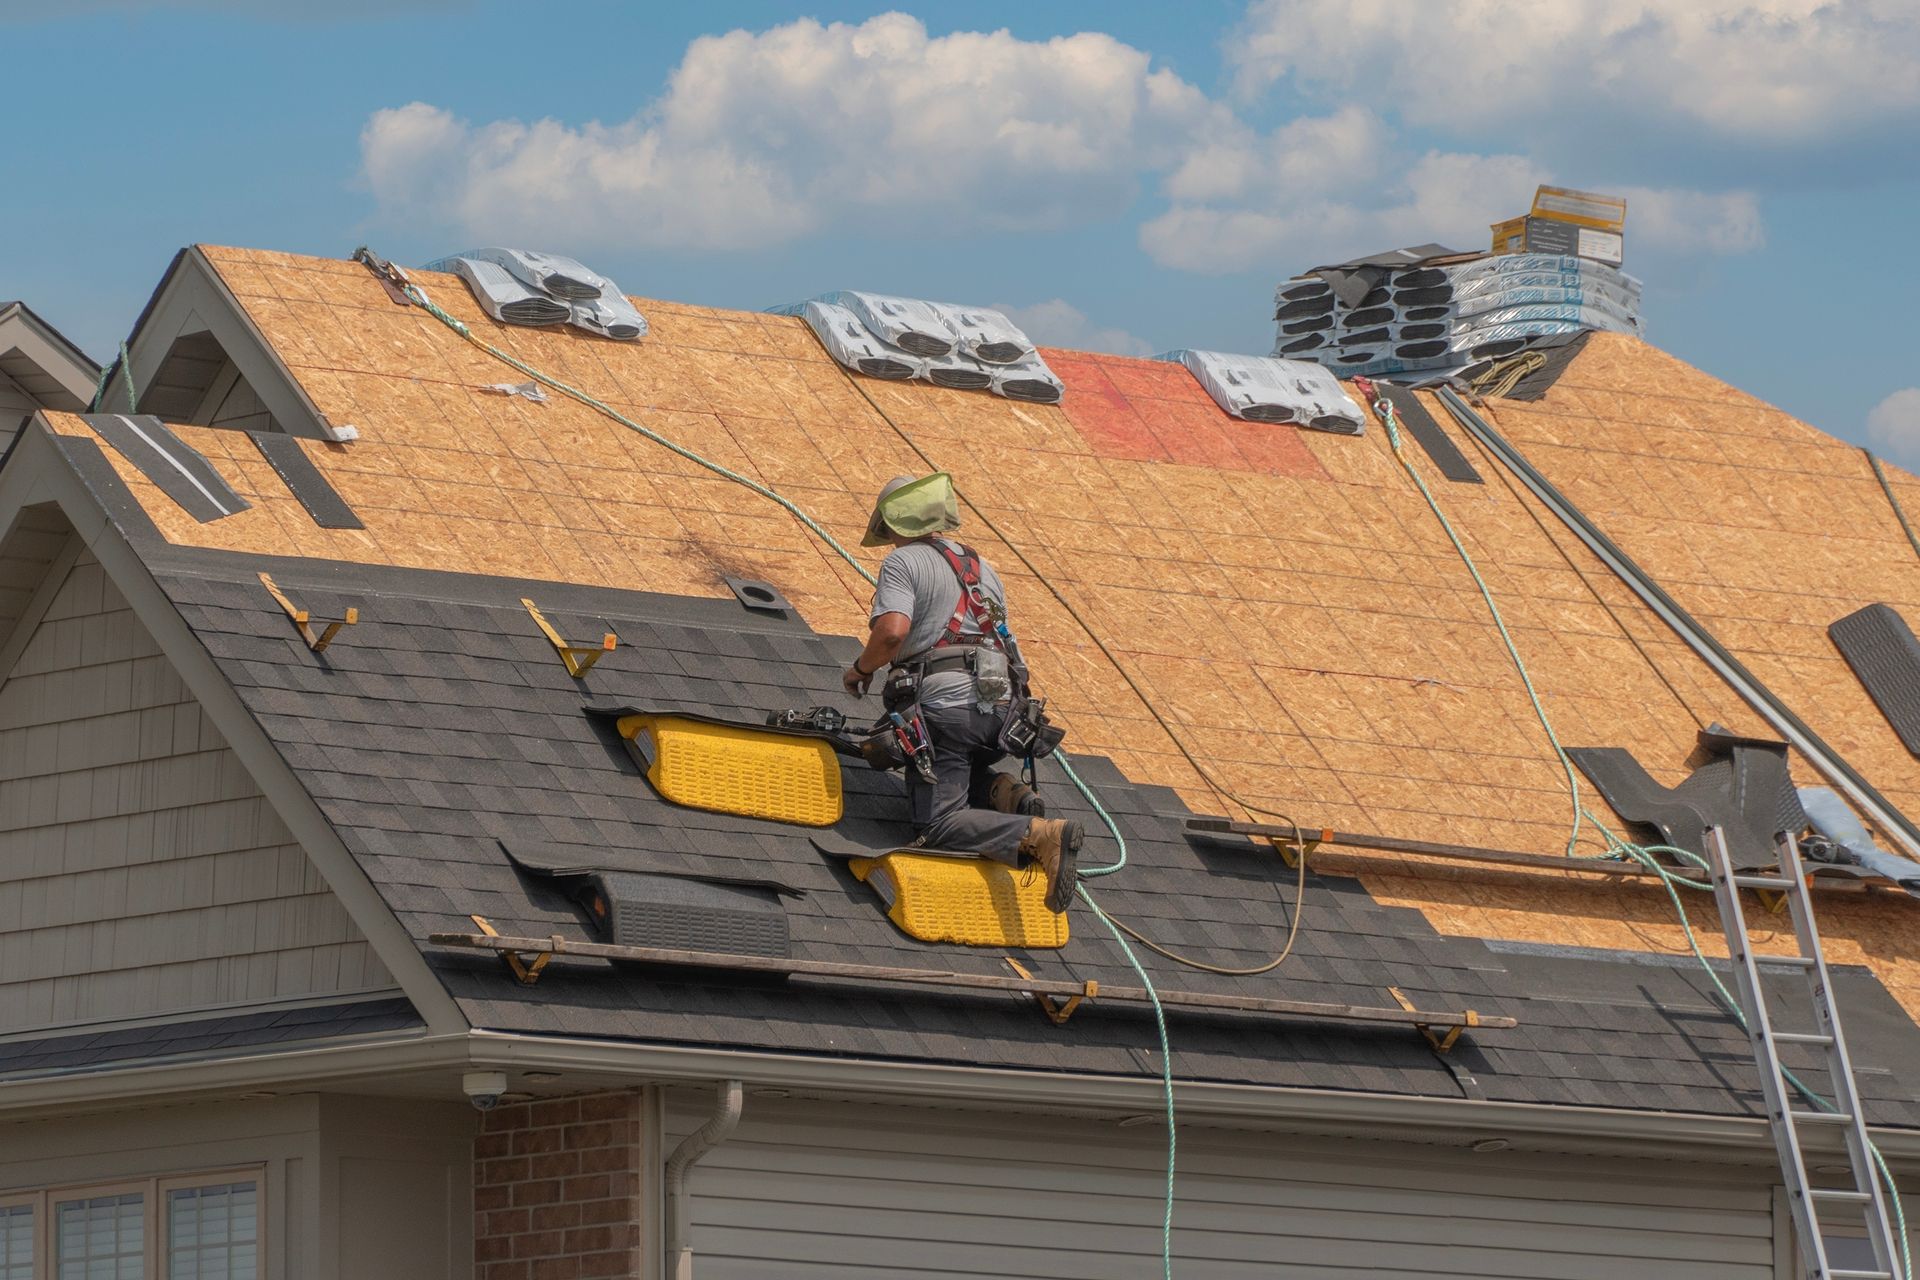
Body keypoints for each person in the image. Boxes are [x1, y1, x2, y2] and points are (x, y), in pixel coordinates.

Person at [842, 474, 1081, 912]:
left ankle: (1040, 834)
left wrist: (860, 669)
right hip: (1003, 714)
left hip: (947, 708)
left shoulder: (903, 563)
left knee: (938, 823)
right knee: (952, 765)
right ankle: (1004, 794)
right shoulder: (981, 568)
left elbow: (892, 633)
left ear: (892, 523)